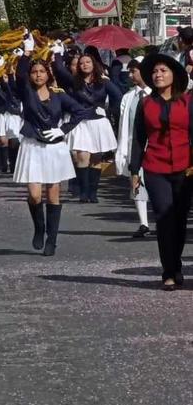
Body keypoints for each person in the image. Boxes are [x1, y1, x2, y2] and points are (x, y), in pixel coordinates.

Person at [11, 41, 89, 256]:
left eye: (41, 72)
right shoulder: (27, 92)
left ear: (48, 74)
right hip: (33, 145)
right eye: (34, 72)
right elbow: (19, 75)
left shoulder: (59, 94)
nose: (37, 75)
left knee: (53, 194)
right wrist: (26, 53)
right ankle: (39, 228)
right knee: (35, 195)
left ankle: (52, 240)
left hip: (54, 146)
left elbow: (80, 111)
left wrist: (63, 130)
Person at [129, 53, 193, 290]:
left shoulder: (187, 102)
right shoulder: (145, 104)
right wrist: (134, 171)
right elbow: (138, 139)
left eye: (163, 71)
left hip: (185, 168)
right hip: (155, 167)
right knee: (164, 218)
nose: (158, 75)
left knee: (179, 219)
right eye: (155, 72)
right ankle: (168, 271)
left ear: (174, 75)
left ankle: (176, 265)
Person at [54, 50, 122, 203]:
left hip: (98, 122)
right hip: (80, 122)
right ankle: (83, 192)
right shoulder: (74, 81)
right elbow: (58, 69)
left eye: (88, 62)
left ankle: (93, 192)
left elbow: (118, 95)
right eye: (81, 63)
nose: (84, 65)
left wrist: (107, 108)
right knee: (82, 156)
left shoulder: (103, 81)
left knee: (96, 158)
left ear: (94, 64)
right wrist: (57, 53)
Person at [115, 57, 152, 238]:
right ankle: (143, 223)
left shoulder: (158, 94)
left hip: (154, 147)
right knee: (136, 182)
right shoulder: (129, 97)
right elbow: (124, 126)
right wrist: (122, 150)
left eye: (133, 71)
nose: (130, 75)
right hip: (134, 146)